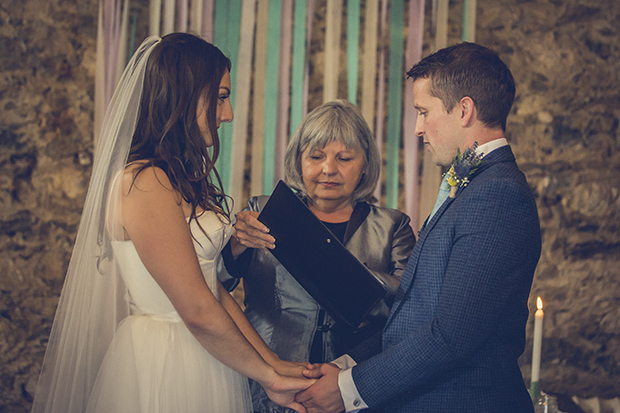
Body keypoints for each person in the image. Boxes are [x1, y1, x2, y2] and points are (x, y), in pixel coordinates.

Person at [31, 33, 313, 413]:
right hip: (166, 359)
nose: (227, 115)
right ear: (183, 95)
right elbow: (197, 309)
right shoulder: (143, 182)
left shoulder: (175, 176)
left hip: (208, 350)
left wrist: (271, 362)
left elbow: (211, 289)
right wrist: (269, 378)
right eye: (221, 97)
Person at [296, 42, 542, 412]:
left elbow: (451, 337)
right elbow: (412, 316)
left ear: (464, 110)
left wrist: (347, 388)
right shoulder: (474, 186)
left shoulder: (499, 196)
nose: (417, 128)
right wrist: (344, 365)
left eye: (423, 112)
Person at [221, 99, 416, 413]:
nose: (329, 169)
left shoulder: (393, 226)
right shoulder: (265, 211)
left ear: (365, 163)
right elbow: (214, 287)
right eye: (316, 156)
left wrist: (348, 272)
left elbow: (410, 308)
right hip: (268, 377)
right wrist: (235, 244)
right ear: (299, 161)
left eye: (344, 158)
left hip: (352, 386)